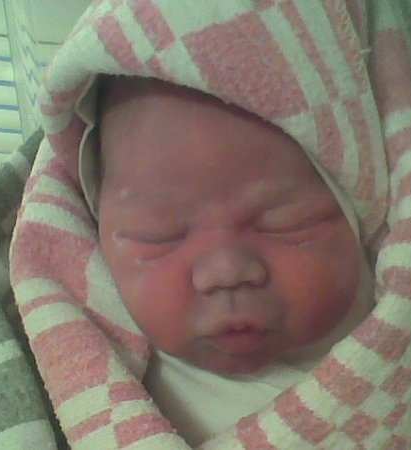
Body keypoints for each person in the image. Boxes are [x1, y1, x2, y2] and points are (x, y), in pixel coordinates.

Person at [77, 74, 374, 443]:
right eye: (159, 235)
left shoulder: (402, 307)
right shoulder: (103, 366)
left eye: (286, 222)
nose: (226, 271)